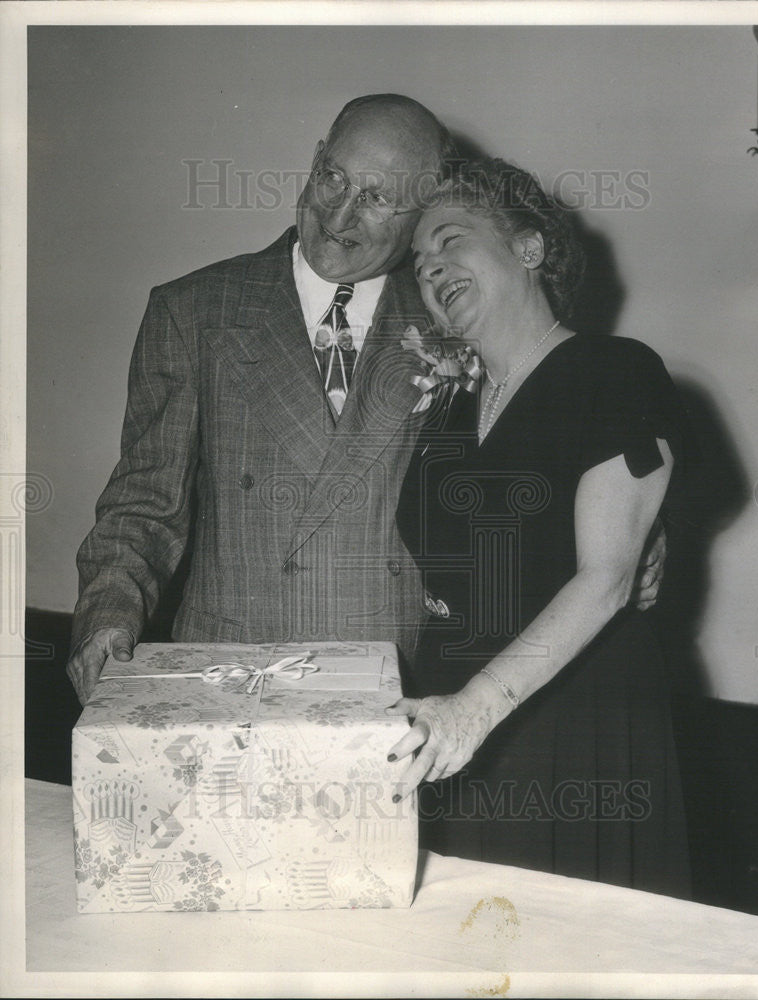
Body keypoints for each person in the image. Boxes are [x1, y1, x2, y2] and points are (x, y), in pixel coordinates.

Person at [67, 95, 664, 706]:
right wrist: (108, 618)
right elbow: (143, 503)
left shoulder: (459, 314)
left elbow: (536, 457)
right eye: (333, 178)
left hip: (401, 689)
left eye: (377, 199)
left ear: (419, 217)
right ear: (316, 159)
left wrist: (634, 538)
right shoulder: (194, 311)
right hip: (232, 678)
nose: (340, 214)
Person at [387, 158, 692, 898]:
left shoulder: (614, 371)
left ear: (527, 249)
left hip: (569, 718)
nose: (431, 270)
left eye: (451, 242)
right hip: (453, 718)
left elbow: (607, 576)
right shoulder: (448, 409)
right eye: (421, 264)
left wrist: (473, 711)